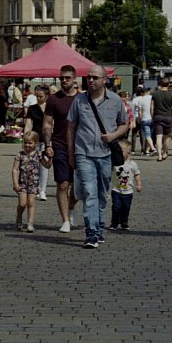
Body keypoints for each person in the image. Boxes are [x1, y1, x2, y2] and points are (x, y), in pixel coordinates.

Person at [67, 65, 128, 248]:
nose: (91, 81)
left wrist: (113, 136)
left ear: (104, 80)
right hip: (83, 152)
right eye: (89, 77)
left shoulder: (115, 101)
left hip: (105, 154)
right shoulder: (79, 100)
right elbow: (70, 128)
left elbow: (124, 124)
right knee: (89, 192)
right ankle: (91, 232)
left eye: (95, 77)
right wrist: (71, 154)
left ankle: (99, 227)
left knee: (102, 193)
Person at [43, 65, 78, 233]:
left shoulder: (82, 98)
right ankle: (65, 220)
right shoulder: (53, 99)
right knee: (63, 184)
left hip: (80, 146)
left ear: (74, 79)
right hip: (59, 144)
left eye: (67, 78)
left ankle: (71, 209)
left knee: (77, 186)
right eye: (62, 78)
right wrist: (48, 145)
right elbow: (47, 124)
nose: (64, 81)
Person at [12, 130, 49, 232]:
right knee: (22, 204)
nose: (27, 145)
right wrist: (15, 183)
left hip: (33, 183)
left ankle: (30, 223)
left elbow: (47, 166)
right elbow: (15, 169)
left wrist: (50, 158)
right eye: (25, 142)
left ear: (35, 144)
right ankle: (19, 217)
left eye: (30, 143)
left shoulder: (38, 154)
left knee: (31, 203)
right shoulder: (20, 154)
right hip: (22, 183)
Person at [110, 139, 142, 231]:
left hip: (128, 191)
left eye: (121, 151)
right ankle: (114, 223)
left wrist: (139, 184)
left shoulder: (132, 164)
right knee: (116, 207)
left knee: (126, 208)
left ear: (128, 153)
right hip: (116, 190)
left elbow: (137, 174)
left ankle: (124, 223)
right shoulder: (114, 163)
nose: (118, 153)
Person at [24, 85, 49, 201]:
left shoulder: (50, 107)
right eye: (37, 96)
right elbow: (28, 124)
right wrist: (26, 138)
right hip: (35, 138)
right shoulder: (32, 108)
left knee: (45, 164)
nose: (38, 98)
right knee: (33, 165)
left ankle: (42, 190)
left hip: (48, 139)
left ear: (46, 96)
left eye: (41, 96)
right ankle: (36, 188)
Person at [151, 77, 172, 162]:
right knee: (166, 138)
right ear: (168, 84)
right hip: (168, 117)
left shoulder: (155, 94)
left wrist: (152, 116)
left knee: (158, 137)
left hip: (158, 117)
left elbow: (151, 107)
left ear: (160, 84)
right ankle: (164, 153)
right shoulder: (171, 94)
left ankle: (159, 155)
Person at [131, 86, 155, 156]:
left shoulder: (135, 100)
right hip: (148, 118)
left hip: (137, 118)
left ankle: (133, 149)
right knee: (143, 135)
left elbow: (134, 110)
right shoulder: (150, 98)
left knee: (134, 134)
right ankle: (144, 149)